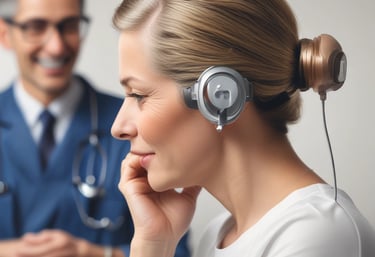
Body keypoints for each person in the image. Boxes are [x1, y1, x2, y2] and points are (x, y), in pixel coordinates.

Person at [110, 0, 375, 257]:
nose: (118, 128)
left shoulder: (318, 234)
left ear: (219, 93)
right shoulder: (218, 235)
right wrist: (154, 245)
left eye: (139, 95)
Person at [0, 0, 191, 257]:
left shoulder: (134, 124)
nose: (56, 46)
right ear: (5, 34)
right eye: (36, 26)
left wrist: (97, 254)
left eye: (69, 26)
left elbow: (177, 248)